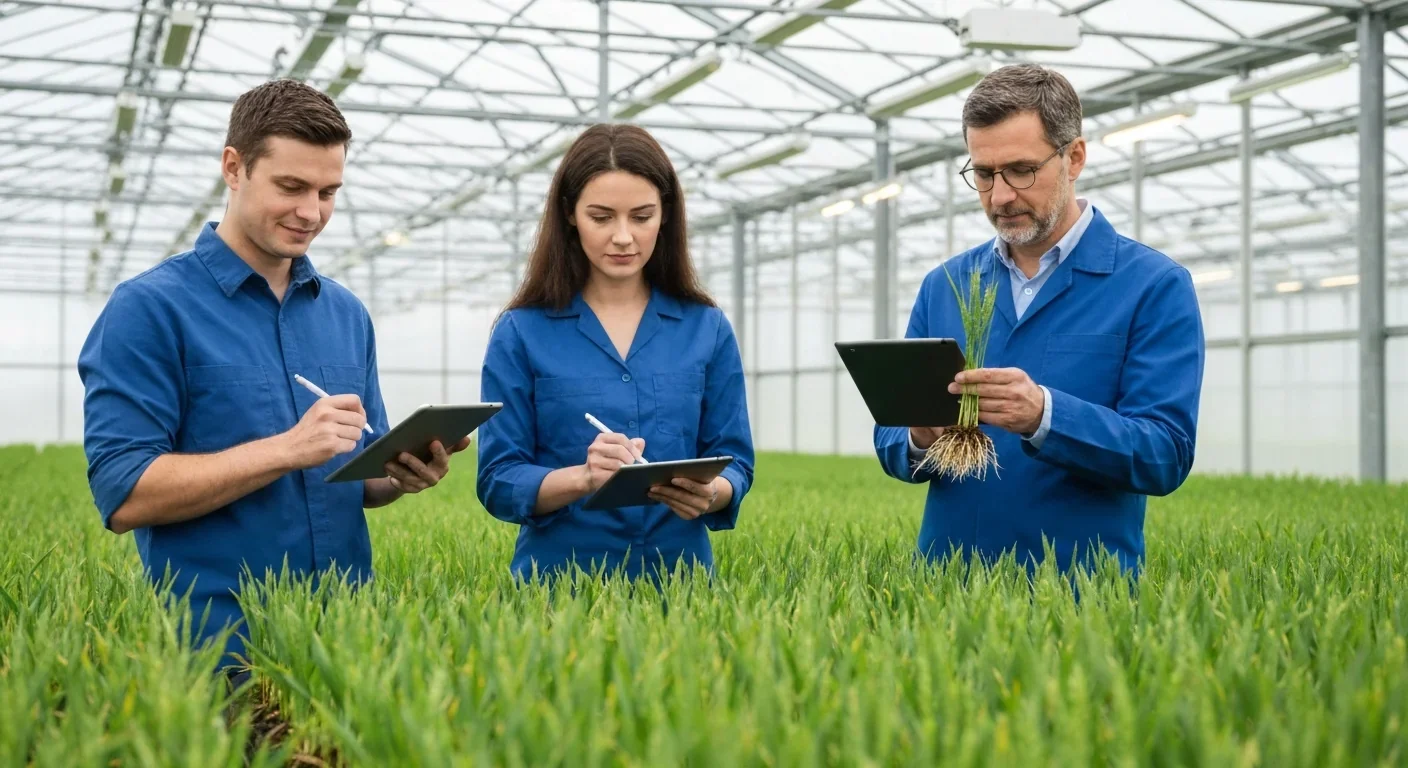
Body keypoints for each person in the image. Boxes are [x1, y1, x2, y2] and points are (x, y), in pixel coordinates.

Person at [77, 79, 467, 681]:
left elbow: (360, 480)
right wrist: (287, 449)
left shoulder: (346, 315)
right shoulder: (149, 310)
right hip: (213, 653)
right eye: (291, 187)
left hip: (343, 645)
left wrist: (401, 473)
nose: (311, 212)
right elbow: (125, 494)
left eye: (328, 192)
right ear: (234, 168)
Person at [874, 64, 1204, 577]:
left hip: (1081, 595)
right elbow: (891, 442)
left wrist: (1045, 415)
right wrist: (919, 437)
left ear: (1074, 157)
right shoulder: (945, 285)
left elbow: (1165, 454)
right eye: (983, 174)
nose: (1000, 196)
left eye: (1021, 170)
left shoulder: (1153, 286)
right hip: (944, 595)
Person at [476, 123, 754, 584]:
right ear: (569, 214)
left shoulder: (707, 328)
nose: (623, 237)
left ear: (666, 216)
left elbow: (735, 459)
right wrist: (582, 478)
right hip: (557, 588)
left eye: (641, 217)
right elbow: (498, 478)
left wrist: (713, 493)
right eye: (601, 217)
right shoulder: (521, 332)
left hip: (683, 586)